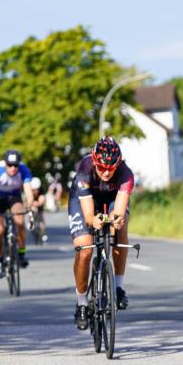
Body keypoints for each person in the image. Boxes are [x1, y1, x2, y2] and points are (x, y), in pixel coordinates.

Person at [69, 137, 135, 330]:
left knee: (120, 226)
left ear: (119, 164)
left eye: (111, 168)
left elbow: (119, 210)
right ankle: (82, 303)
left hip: (112, 198)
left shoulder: (126, 174)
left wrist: (116, 218)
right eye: (102, 167)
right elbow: (89, 216)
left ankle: (118, 287)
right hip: (84, 199)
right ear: (95, 162)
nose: (107, 172)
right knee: (85, 250)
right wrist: (94, 220)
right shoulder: (84, 169)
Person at [0, 150, 35, 278]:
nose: (13, 168)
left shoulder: (23, 170)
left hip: (13, 197)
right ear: (5, 164)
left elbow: (28, 193)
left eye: (15, 165)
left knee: (20, 221)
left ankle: (21, 253)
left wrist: (28, 207)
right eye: (9, 165)